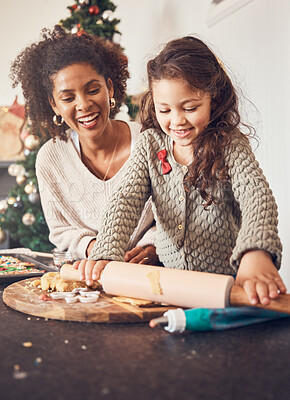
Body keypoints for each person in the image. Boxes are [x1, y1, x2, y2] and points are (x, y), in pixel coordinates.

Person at [75, 35, 286, 306]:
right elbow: (125, 201)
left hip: (226, 290)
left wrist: (256, 252)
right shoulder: (150, 145)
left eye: (190, 108)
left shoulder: (230, 144)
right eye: (165, 110)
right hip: (168, 289)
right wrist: (106, 251)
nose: (177, 121)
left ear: (215, 97)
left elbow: (257, 198)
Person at [10, 25, 158, 263]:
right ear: (54, 105)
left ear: (109, 87)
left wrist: (152, 247)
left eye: (92, 90)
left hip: (151, 273)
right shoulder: (51, 159)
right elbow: (60, 231)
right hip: (88, 279)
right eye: (68, 98)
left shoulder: (151, 142)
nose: (84, 104)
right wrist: (95, 248)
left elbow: (176, 215)